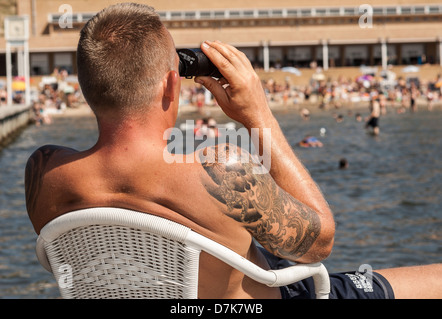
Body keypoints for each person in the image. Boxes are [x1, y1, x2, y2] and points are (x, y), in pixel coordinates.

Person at [25, 3, 441, 299]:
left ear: (86, 86)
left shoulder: (44, 172)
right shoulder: (219, 166)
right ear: (173, 84)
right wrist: (259, 115)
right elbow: (319, 243)